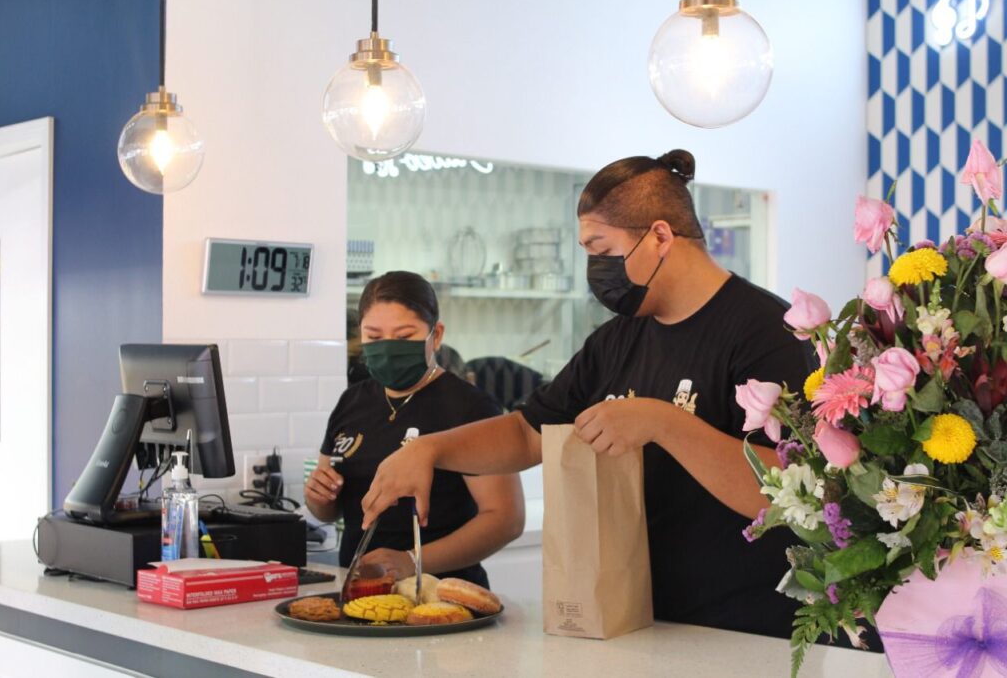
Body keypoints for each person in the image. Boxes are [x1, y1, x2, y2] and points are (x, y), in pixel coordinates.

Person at [360, 150, 812, 638]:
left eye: (601, 250)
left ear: (660, 236)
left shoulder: (768, 332)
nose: (595, 269)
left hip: (746, 629)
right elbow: (527, 434)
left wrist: (663, 422)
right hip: (635, 616)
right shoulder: (618, 339)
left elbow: (795, 492)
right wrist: (431, 449)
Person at [306, 271, 525, 587]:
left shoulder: (470, 407)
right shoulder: (353, 400)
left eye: (404, 336)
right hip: (361, 593)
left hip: (444, 600)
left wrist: (413, 560)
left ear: (435, 335)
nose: (388, 348)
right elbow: (328, 510)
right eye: (375, 337)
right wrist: (319, 497)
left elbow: (505, 519)